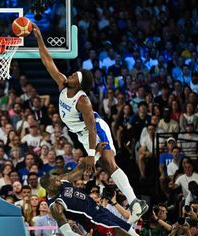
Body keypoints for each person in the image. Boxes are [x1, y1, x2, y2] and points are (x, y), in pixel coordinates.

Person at [33, 24, 148, 223]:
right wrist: (39, 37)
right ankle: (135, 202)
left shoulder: (82, 101)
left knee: (108, 163)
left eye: (73, 76)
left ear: (77, 83)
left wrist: (91, 153)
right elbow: (47, 60)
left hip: (95, 129)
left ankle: (135, 202)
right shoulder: (62, 84)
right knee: (95, 166)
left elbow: (93, 127)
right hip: (82, 134)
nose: (68, 76)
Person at [39, 161, 139, 236]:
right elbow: (67, 232)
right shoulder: (55, 206)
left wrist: (93, 154)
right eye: (55, 181)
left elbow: (79, 169)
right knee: (120, 233)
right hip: (94, 221)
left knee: (129, 230)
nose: (59, 180)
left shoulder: (63, 181)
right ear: (50, 187)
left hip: (100, 210)